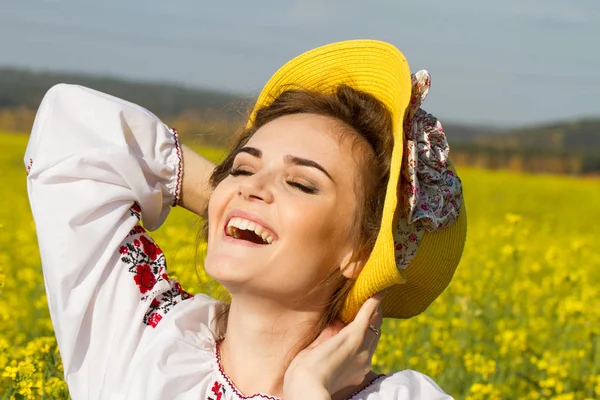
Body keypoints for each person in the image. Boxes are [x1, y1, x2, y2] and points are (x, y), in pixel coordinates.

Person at [25, 40, 466, 399]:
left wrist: (307, 394)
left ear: (361, 252)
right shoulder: (148, 341)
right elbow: (71, 128)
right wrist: (227, 199)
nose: (252, 187)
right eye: (243, 166)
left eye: (301, 183)